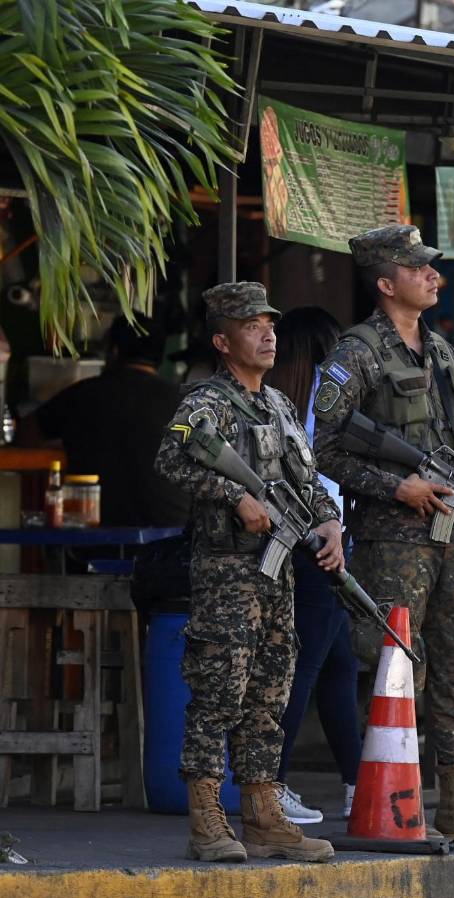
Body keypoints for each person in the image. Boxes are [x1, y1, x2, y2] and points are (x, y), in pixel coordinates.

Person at [312, 224, 454, 844]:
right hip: (392, 539)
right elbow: (323, 449)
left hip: (452, 531)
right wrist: (395, 488)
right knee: (398, 668)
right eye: (419, 269)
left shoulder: (442, 354)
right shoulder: (355, 354)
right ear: (387, 284)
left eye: (431, 268)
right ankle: (389, 801)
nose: (434, 277)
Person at [154, 282, 344, 864]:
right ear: (221, 339)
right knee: (219, 693)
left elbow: (308, 486)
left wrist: (331, 523)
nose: (267, 335)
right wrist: (232, 495)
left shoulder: (282, 408)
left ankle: (263, 812)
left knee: (270, 693)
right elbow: (169, 458)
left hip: (277, 575)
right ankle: (208, 817)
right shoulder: (203, 403)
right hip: (226, 574)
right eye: (251, 325)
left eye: (270, 324)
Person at [262, 307, 362, 825]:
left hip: (304, 540)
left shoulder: (280, 397)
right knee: (306, 666)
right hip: (325, 542)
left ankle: (356, 784)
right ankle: (271, 784)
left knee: (336, 666)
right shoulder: (328, 393)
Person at [31, 314, 188, 527]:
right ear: (159, 357)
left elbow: (25, 434)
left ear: (114, 352)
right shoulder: (184, 403)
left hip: (93, 540)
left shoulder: (82, 394)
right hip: (172, 542)